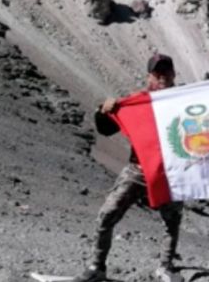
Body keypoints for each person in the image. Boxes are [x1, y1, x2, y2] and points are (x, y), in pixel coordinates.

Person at [74, 53, 184, 282]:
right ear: (149, 76)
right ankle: (97, 267)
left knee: (171, 222)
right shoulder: (137, 103)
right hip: (139, 169)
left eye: (166, 71)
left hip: (169, 172)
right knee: (107, 214)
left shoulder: (185, 102)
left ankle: (166, 267)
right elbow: (105, 129)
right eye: (157, 72)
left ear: (174, 74)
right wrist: (103, 110)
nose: (162, 76)